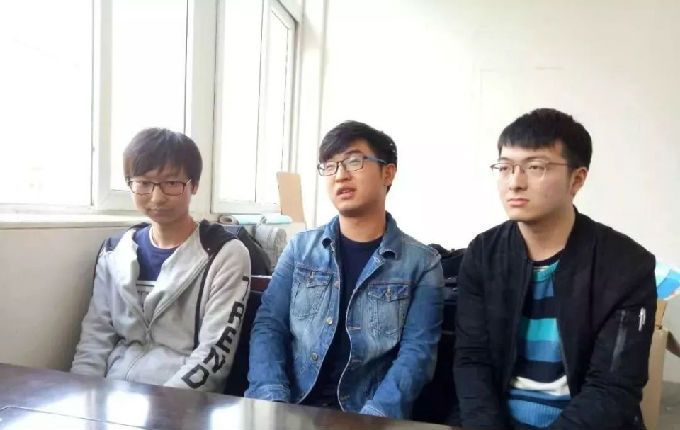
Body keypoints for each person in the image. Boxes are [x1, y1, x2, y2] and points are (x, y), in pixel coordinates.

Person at [454, 108, 656, 429]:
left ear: (577, 179)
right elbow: (471, 360)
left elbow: (612, 388)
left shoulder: (626, 265)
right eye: (505, 168)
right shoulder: (483, 254)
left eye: (535, 167)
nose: (515, 183)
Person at [245, 120, 444, 419]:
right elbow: (269, 326)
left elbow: (417, 355)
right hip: (291, 406)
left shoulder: (422, 264)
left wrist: (372, 418)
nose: (340, 175)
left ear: (388, 173)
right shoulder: (300, 249)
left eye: (354, 161)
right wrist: (272, 402)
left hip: (367, 415)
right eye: (330, 165)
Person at [71, 128, 251, 392]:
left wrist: (159, 408)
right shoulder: (114, 252)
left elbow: (213, 357)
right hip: (112, 396)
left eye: (172, 183)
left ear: (194, 185)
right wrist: (81, 397)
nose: (157, 197)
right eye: (144, 183)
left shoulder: (225, 254)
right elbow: (94, 341)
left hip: (181, 402)